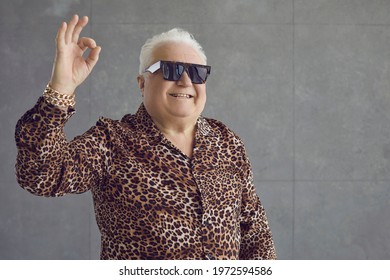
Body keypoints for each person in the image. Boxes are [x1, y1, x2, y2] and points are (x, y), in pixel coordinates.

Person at [15, 14, 276, 260]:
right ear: (142, 83)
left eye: (196, 72)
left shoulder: (226, 141)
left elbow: (255, 232)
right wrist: (61, 89)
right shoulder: (111, 141)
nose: (185, 81)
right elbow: (41, 175)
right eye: (171, 70)